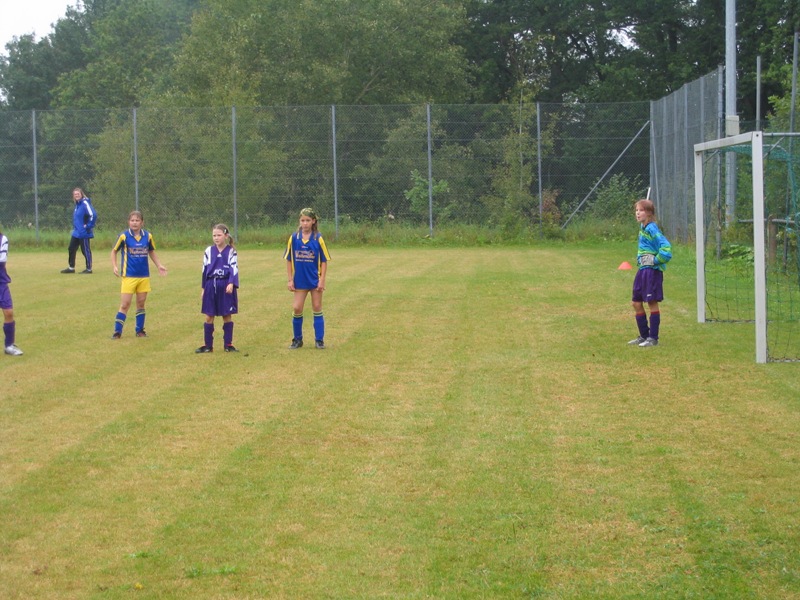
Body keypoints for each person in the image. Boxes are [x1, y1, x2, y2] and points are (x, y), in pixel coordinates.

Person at [110, 210, 167, 339]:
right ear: (128, 222)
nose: (134, 223)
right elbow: (114, 251)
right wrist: (114, 266)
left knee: (141, 303)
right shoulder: (123, 236)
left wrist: (159, 265)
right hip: (129, 276)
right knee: (125, 304)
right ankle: (117, 331)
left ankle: (140, 330)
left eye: (137, 220)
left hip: (143, 276)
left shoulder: (148, 236)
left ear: (142, 222)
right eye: (132, 220)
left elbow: (151, 251)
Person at [284, 207, 331, 349]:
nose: (305, 223)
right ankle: (297, 340)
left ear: (313, 221)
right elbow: (289, 259)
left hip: (315, 280)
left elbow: (324, 261)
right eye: (302, 220)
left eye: (308, 220)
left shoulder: (318, 238)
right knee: (297, 308)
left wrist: (322, 280)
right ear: (299, 221)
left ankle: (319, 340)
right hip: (300, 280)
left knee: (317, 307)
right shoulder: (294, 238)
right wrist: (290, 279)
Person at [629, 199, 672, 347]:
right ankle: (643, 336)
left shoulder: (653, 229)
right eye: (636, 210)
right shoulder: (643, 228)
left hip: (651, 272)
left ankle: (653, 338)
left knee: (651, 302)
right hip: (642, 270)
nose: (637, 213)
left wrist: (655, 260)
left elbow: (666, 249)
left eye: (641, 210)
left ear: (649, 213)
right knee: (636, 302)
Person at [195, 224, 240, 353]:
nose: (216, 238)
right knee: (209, 316)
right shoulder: (208, 251)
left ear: (225, 236)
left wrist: (231, 283)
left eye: (219, 235)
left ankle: (228, 345)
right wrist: (203, 288)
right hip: (211, 285)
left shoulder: (231, 251)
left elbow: (234, 268)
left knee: (227, 315)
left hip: (225, 285)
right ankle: (208, 345)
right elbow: (204, 271)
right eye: (214, 235)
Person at [61, 187, 97, 274]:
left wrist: (88, 226)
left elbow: (93, 215)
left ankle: (89, 269)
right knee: (71, 248)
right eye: (75, 194)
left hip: (83, 232)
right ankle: (71, 267)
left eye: (78, 194)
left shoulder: (85, 203)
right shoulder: (77, 205)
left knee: (85, 250)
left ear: (81, 194)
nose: (76, 195)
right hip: (76, 232)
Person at [0, 230, 23, 356]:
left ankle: (9, 345)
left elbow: (1, 261)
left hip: (1, 283)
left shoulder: (2, 239)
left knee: (9, 312)